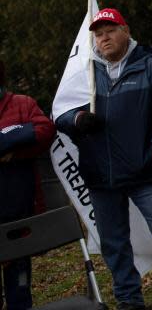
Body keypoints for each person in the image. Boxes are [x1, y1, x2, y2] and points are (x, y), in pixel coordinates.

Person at [54, 8, 152, 310]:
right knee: (113, 242)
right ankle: (129, 299)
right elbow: (61, 113)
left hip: (144, 172)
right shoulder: (85, 73)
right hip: (100, 175)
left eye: (110, 30)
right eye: (98, 33)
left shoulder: (150, 67)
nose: (103, 37)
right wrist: (77, 119)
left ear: (126, 31)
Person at [0, 60, 55, 310]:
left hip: (19, 212)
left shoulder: (22, 103)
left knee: (19, 284)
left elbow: (45, 130)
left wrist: (13, 149)